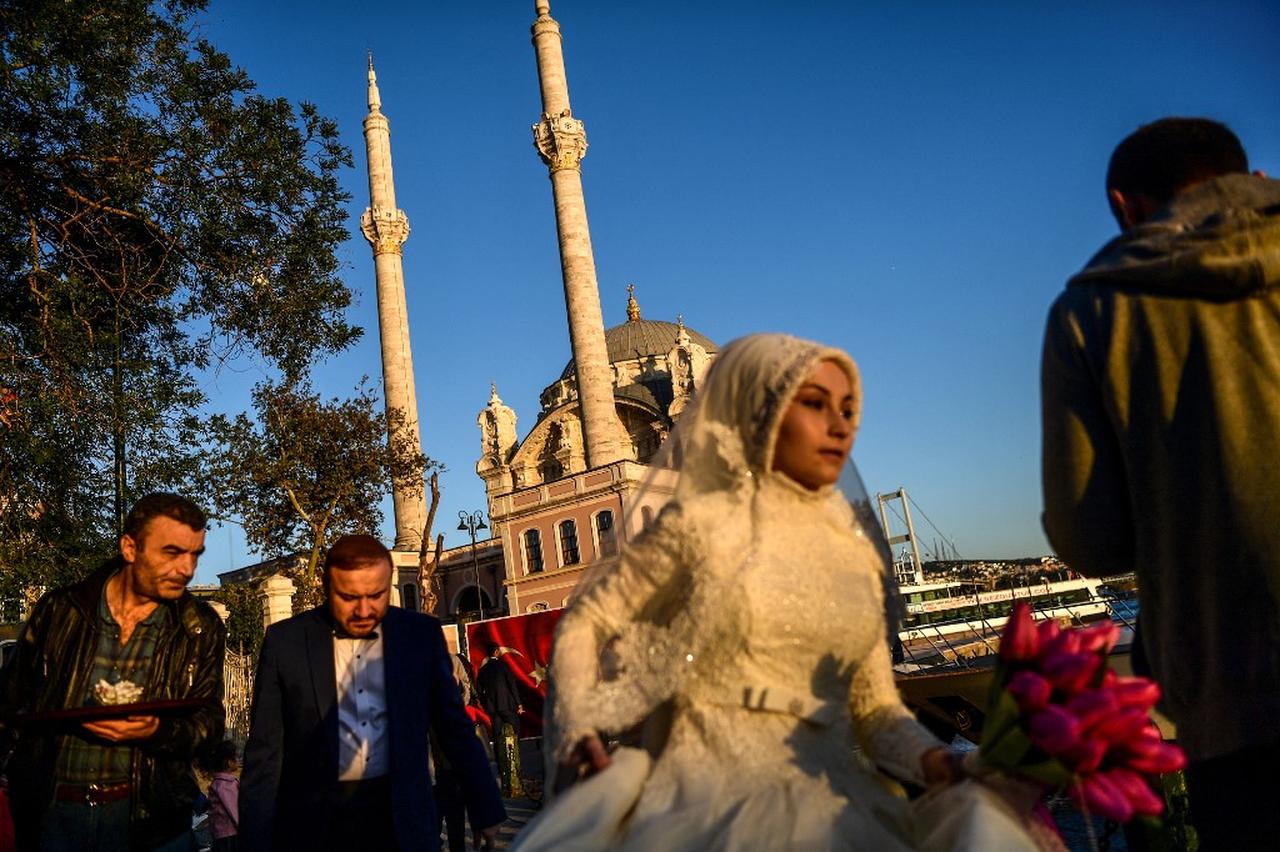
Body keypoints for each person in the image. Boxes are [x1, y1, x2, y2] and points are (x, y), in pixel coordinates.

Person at [514, 334, 1042, 851]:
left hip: (833, 800)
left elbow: (876, 711)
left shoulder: (852, 553)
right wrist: (577, 724)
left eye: (849, 408)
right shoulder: (700, 523)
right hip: (700, 799)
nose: (840, 425)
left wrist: (943, 762)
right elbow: (586, 621)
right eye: (815, 404)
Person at [1040, 117, 1280, 850]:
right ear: (1251, 179)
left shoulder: (1092, 310)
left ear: (1125, 205)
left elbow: (1094, 538)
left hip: (1236, 698)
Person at [240, 534, 505, 851]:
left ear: (390, 583)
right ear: (325, 588)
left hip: (404, 821)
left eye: (376, 595)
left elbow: (454, 728)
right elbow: (264, 755)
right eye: (349, 597)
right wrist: (255, 841)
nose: (364, 610)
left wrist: (484, 807)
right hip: (316, 828)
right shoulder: (286, 642)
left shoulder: (420, 635)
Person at [0, 492, 227, 851]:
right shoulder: (61, 611)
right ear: (129, 548)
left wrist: (158, 730)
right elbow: (10, 702)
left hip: (153, 824)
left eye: (194, 555)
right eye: (172, 552)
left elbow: (209, 724)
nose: (187, 569)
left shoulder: (199, 627)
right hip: (54, 817)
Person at [475, 641, 524, 797]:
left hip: (493, 709)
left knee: (497, 738)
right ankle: (515, 767)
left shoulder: (483, 671)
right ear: (496, 652)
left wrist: (486, 704)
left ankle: (503, 770)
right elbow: (512, 685)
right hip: (507, 706)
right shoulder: (503, 666)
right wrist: (519, 704)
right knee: (515, 734)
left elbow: (479, 691)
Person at [205, 740, 241, 852]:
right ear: (229, 762)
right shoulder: (226, 784)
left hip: (220, 834)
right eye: (235, 757)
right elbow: (233, 809)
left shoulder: (218, 783)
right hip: (229, 834)